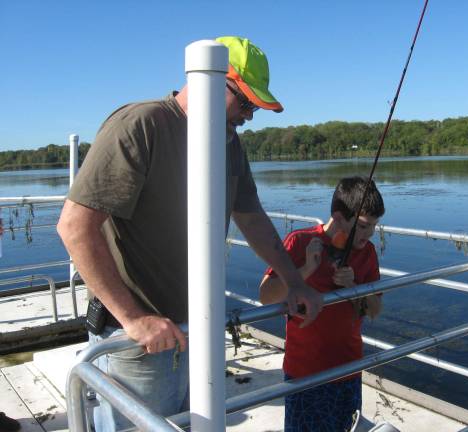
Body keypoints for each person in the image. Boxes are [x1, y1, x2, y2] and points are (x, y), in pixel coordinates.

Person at [57, 36, 323, 432]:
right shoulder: (142, 125)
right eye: (246, 102)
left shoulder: (229, 143)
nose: (249, 116)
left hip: (198, 330)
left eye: (255, 107)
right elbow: (74, 227)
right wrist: (134, 319)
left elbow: (252, 219)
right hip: (139, 342)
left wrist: (293, 281)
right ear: (211, 80)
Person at [259, 176, 385, 432]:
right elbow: (266, 295)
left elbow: (375, 310)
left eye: (374, 226)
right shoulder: (299, 241)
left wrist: (354, 287)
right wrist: (305, 270)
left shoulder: (368, 252)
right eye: (362, 225)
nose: (369, 233)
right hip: (305, 371)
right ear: (338, 217)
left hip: (350, 368)